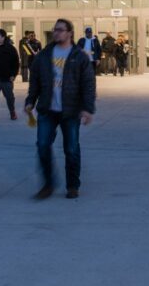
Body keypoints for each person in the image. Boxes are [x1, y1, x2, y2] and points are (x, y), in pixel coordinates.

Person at [24, 18, 96, 199]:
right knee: (42, 145)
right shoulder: (44, 55)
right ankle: (48, 184)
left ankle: (72, 185)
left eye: (60, 30)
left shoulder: (79, 56)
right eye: (55, 30)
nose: (56, 33)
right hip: (47, 109)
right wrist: (30, 101)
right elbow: (35, 82)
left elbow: (88, 84)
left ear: (70, 33)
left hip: (70, 110)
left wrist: (87, 108)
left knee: (71, 149)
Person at [0, 29, 20, 122]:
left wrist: (13, 75)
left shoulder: (10, 48)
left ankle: (12, 111)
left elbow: (16, 63)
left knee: (10, 97)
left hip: (6, 78)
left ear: (3, 37)